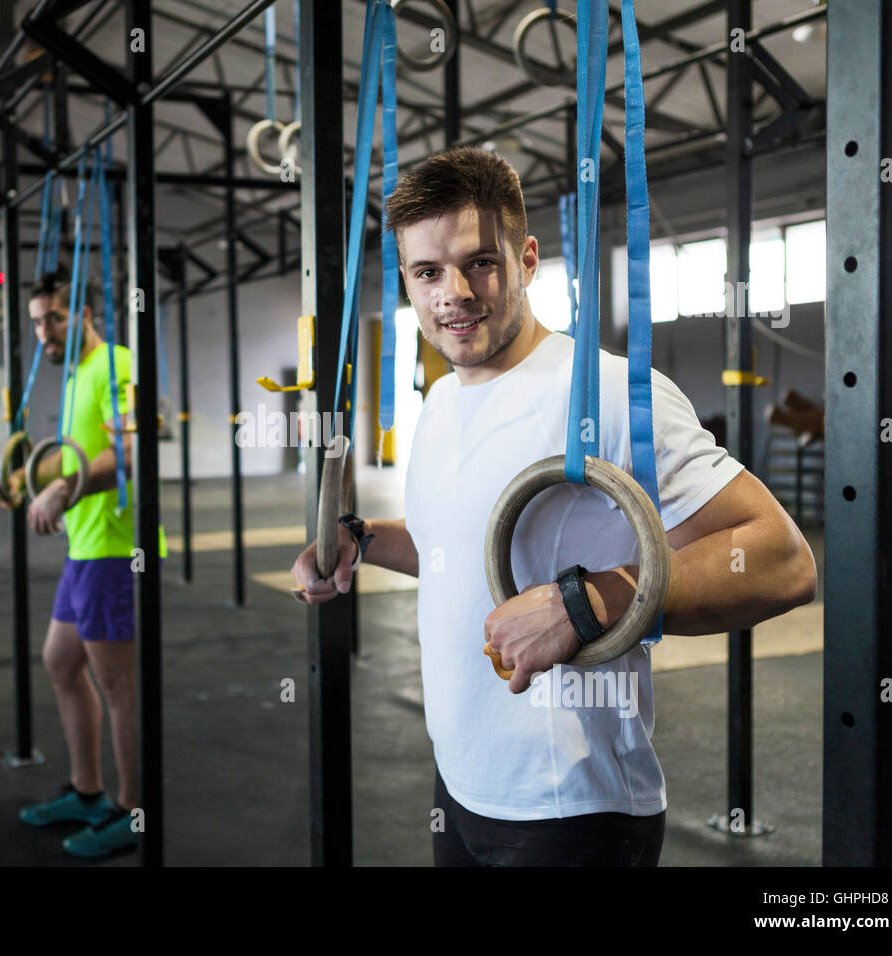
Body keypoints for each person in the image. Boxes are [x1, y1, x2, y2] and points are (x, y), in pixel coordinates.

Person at [290, 146, 819, 867]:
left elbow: (782, 559)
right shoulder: (443, 400)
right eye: (428, 272)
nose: (454, 293)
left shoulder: (603, 391)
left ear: (529, 256)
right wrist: (362, 538)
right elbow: (463, 547)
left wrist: (587, 603)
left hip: (570, 811)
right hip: (462, 785)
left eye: (481, 262)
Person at [15, 271, 166, 860]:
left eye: (52, 318)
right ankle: (86, 788)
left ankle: (132, 811)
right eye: (35, 322)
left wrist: (63, 490)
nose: (42, 332)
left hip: (114, 548)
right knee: (59, 661)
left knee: (117, 686)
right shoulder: (76, 375)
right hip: (84, 545)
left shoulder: (115, 364)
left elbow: (128, 448)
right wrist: (36, 484)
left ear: (82, 313)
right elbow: (81, 451)